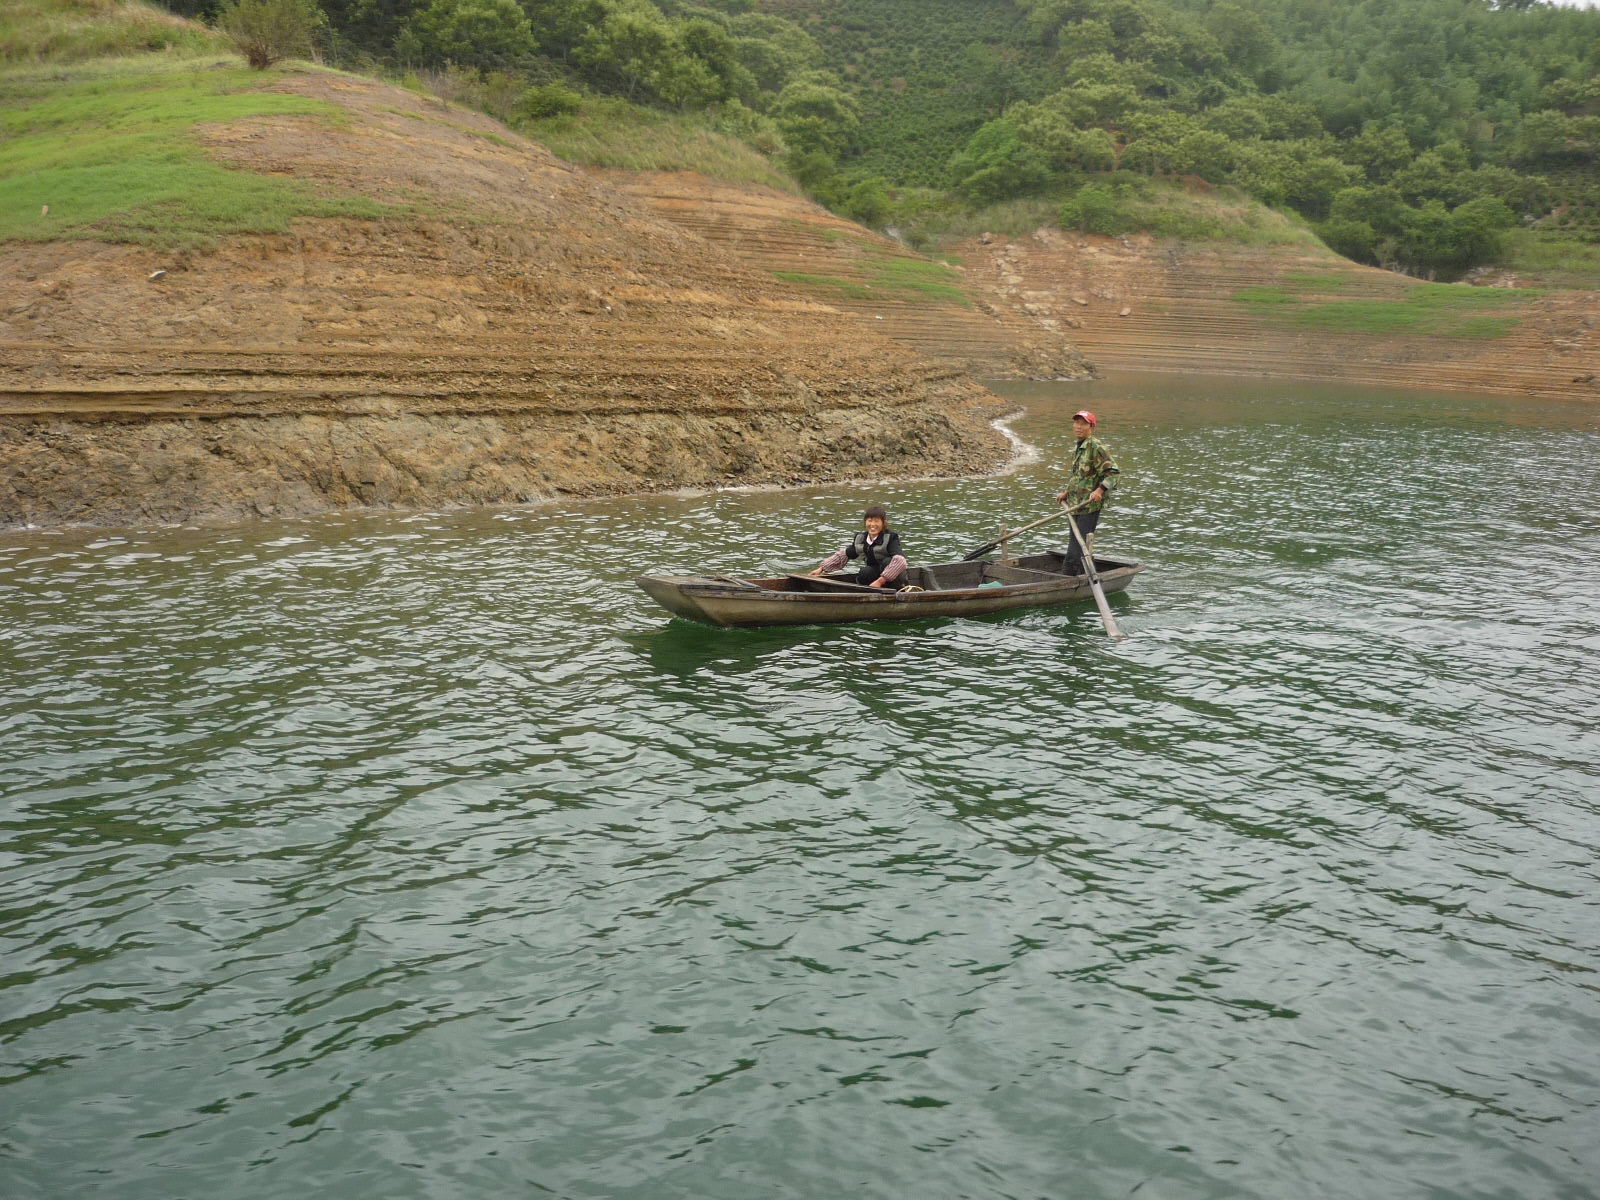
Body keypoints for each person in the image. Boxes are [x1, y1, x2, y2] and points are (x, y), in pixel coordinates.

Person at [1052, 409, 1120, 575]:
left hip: (1089, 506)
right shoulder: (1079, 447)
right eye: (1076, 423)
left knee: (1077, 546)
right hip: (1075, 503)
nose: (1079, 427)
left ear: (1091, 427)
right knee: (1075, 541)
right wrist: (1066, 492)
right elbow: (1079, 475)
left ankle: (1068, 577)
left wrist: (1099, 490)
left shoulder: (1096, 447)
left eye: (1083, 424)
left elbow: (1114, 473)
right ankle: (1083, 573)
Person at [809, 504, 907, 588]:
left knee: (887, 562)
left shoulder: (891, 537)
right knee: (865, 572)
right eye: (869, 521)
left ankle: (889, 589)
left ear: (883, 523)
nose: (872, 524)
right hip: (874, 577)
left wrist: (880, 581)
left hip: (894, 580)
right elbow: (844, 554)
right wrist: (821, 569)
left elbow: (900, 561)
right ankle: (871, 590)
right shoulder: (861, 538)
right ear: (865, 522)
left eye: (876, 521)